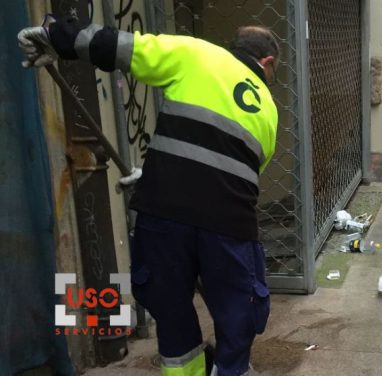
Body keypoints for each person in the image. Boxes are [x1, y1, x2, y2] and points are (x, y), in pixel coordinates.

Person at [18, 15, 279, 376]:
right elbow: (239, 176)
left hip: (165, 214)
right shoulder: (269, 108)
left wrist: (56, 35)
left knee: (171, 310)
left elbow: (119, 46)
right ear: (267, 63)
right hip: (230, 224)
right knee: (238, 317)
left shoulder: (195, 52)